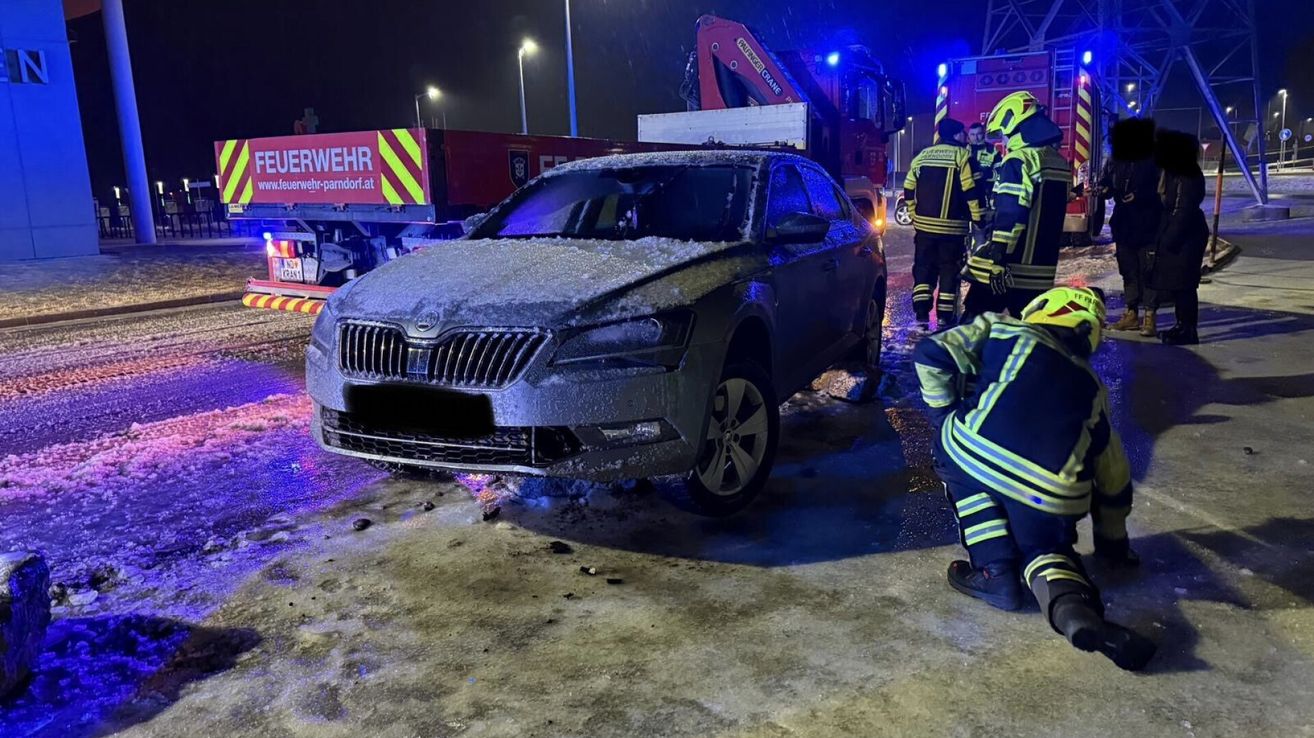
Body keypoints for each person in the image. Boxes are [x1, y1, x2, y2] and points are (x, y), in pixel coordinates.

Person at [914, 285, 1156, 671]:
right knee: (1046, 550)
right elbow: (1114, 477)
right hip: (1053, 492)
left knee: (964, 466)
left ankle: (995, 572)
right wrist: (1113, 544)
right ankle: (1070, 606)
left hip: (977, 454)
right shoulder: (1094, 389)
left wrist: (944, 414)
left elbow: (931, 353)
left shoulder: (1002, 329)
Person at [962, 92, 1072, 320]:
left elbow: (1012, 211)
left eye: (1002, 132)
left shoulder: (1019, 159)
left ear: (1012, 124)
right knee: (1028, 332)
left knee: (973, 325)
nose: (1003, 139)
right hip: (1043, 267)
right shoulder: (1057, 161)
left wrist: (998, 252)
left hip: (1013, 266)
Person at [903, 117, 986, 328]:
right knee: (949, 269)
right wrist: (979, 219)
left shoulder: (922, 156)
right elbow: (972, 191)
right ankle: (944, 317)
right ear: (957, 134)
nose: (966, 137)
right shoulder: (963, 156)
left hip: (924, 228)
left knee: (923, 268)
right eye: (963, 134)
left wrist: (915, 216)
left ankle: (921, 313)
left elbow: (909, 189)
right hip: (952, 229)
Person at [1099, 118, 1163, 337]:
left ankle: (1150, 316)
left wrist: (1140, 195)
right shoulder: (1116, 158)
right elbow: (1107, 181)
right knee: (1128, 270)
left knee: (1149, 270)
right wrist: (1102, 190)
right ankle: (1131, 313)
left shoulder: (1154, 158)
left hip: (1148, 222)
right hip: (1124, 223)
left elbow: (1162, 189)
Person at [1148, 129, 1210, 345]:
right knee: (1178, 284)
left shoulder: (1186, 174)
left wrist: (1169, 240)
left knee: (1184, 284)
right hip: (1182, 233)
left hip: (1187, 236)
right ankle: (1181, 325)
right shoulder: (1176, 172)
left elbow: (1183, 209)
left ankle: (1188, 329)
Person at [967, 122, 1002, 249]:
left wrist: (986, 174)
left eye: (979, 134)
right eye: (973, 134)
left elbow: (999, 173)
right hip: (965, 199)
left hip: (984, 199)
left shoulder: (992, 151)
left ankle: (977, 258)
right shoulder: (964, 150)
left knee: (981, 235)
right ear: (968, 136)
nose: (976, 138)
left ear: (984, 134)